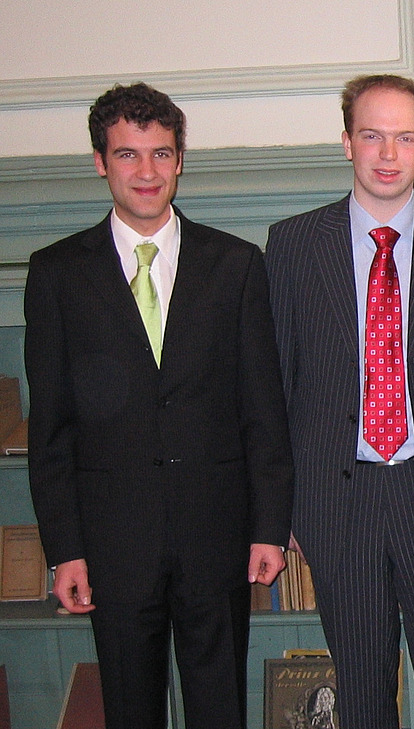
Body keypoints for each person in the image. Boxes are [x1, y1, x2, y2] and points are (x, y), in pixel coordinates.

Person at [24, 82, 294, 729]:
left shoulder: (234, 265)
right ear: (100, 161)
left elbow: (264, 409)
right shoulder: (58, 272)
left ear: (180, 159)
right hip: (114, 545)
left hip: (216, 534)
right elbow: (52, 428)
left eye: (161, 154)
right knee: (130, 709)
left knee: (218, 705)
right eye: (127, 155)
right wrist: (66, 548)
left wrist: (267, 524)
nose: (146, 172)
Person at [264, 74, 414, 729]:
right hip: (338, 504)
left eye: (405, 136)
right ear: (346, 143)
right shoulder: (293, 245)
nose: (388, 153)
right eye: (372, 135)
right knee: (362, 695)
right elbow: (277, 381)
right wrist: (277, 507)